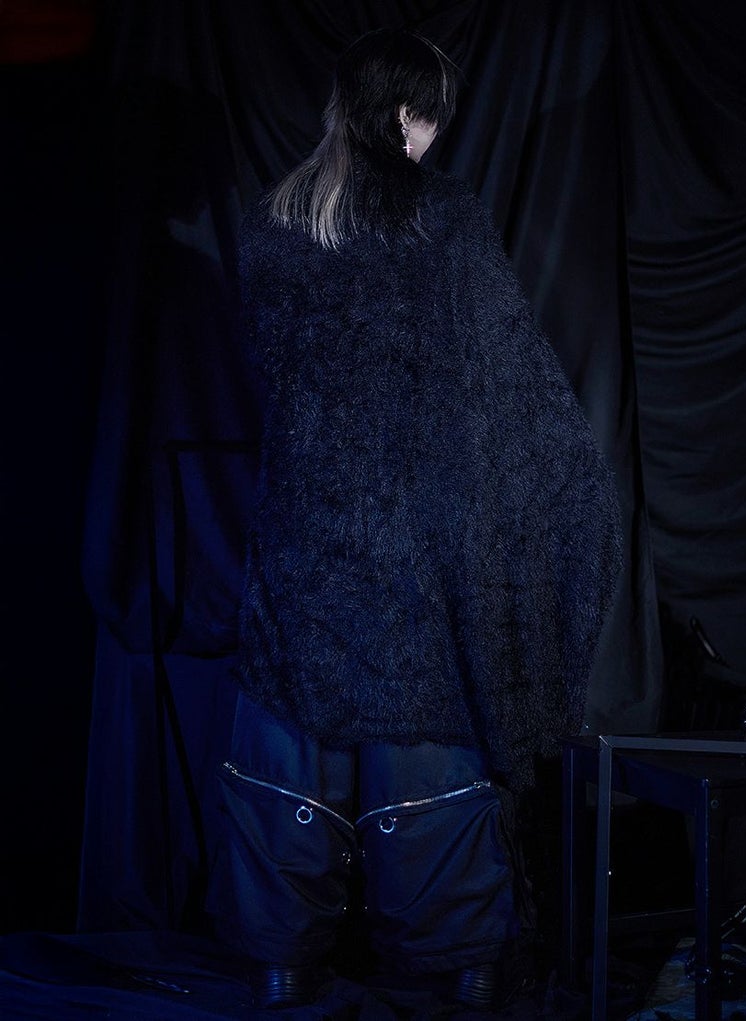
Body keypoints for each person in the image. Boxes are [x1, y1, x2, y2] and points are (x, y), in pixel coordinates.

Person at [212, 27, 622, 1013]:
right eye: (432, 115)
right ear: (407, 113)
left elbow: (269, 372)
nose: (437, 135)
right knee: (421, 731)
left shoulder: (275, 218)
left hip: (306, 531)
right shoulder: (441, 216)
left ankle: (280, 960)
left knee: (294, 731)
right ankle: (464, 958)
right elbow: (499, 374)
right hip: (412, 538)